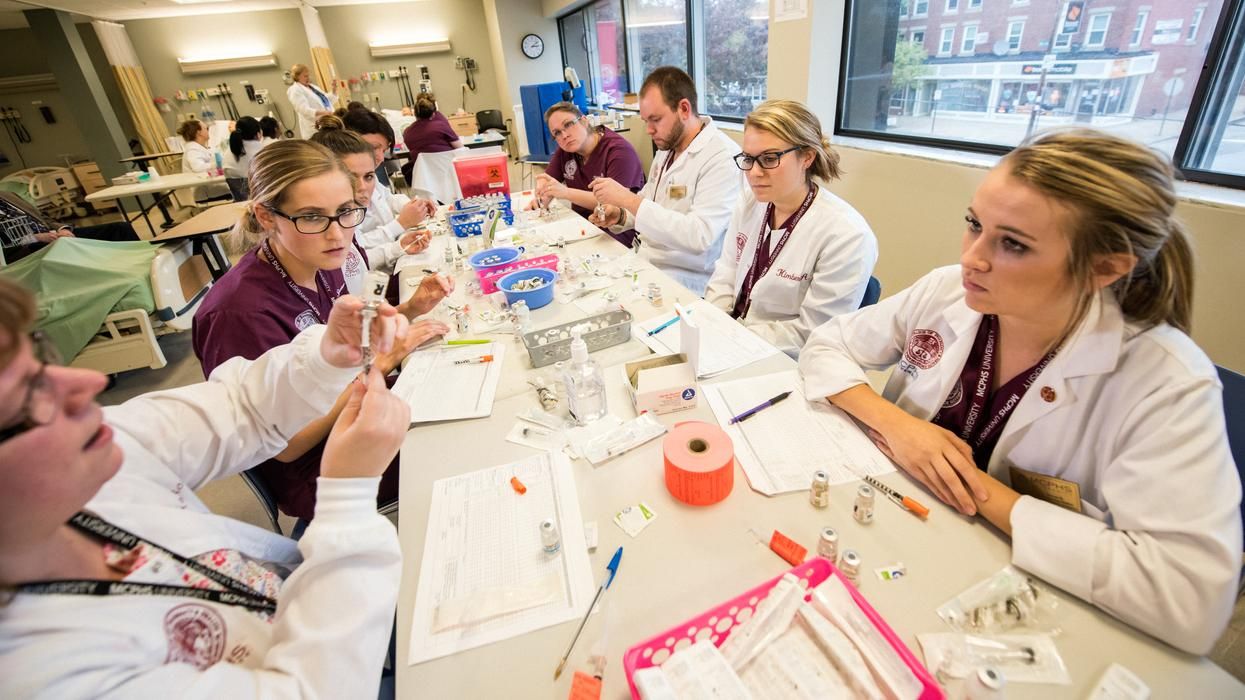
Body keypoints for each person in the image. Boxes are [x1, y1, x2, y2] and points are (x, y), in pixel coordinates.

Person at [798, 130, 1242, 655]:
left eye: (1012, 244)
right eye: (974, 225)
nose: (972, 258)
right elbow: (826, 346)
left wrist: (978, 490)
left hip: (1027, 599)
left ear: (1105, 267)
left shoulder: (1164, 381)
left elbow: (1189, 600)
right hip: (896, 531)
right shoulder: (948, 292)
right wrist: (902, 427)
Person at [0, 275, 412, 696]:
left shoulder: (93, 464)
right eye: (30, 395)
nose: (88, 384)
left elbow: (242, 408)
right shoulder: (40, 674)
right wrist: (348, 497)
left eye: (41, 359)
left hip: (333, 614)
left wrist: (327, 358)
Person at [192, 140, 450, 524]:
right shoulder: (238, 312)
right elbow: (287, 445)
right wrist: (381, 363)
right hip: (321, 470)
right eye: (312, 217)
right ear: (266, 217)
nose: (337, 235)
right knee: (456, 446)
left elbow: (350, 349)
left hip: (358, 410)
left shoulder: (320, 260)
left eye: (346, 212)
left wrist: (408, 310)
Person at [705, 99, 877, 359]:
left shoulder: (847, 235)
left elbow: (813, 332)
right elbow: (726, 274)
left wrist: (735, 334)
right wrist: (711, 322)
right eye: (748, 159)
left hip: (784, 359)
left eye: (770, 158)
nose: (754, 173)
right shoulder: (751, 203)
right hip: (728, 339)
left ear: (807, 156)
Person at [588, 66, 741, 295]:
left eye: (655, 119)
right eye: (645, 121)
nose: (649, 130)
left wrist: (628, 200)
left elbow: (700, 236)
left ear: (684, 109)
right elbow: (652, 198)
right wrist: (621, 215)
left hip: (686, 280)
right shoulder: (668, 146)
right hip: (646, 262)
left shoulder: (722, 158)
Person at [310, 115, 433, 293]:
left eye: (368, 177)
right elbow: (358, 263)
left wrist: (415, 208)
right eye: (374, 147)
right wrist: (400, 227)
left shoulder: (355, 202)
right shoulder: (326, 233)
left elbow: (359, 270)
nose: (362, 187)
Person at [532, 101, 644, 246]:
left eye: (568, 124)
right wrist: (542, 194)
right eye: (557, 133)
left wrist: (565, 192)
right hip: (582, 225)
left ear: (584, 121)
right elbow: (548, 181)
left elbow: (615, 204)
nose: (564, 135)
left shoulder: (619, 152)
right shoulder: (566, 151)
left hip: (616, 230)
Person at [337, 104, 438, 251]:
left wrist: (414, 206)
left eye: (383, 150)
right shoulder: (339, 191)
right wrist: (400, 224)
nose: (380, 157)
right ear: (350, 142)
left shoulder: (369, 174)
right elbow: (355, 249)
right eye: (373, 148)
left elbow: (387, 197)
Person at [1, 192, 138, 264]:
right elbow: (5, 247)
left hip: (54, 236)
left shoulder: (8, 196)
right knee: (66, 245)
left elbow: (43, 217)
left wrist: (63, 229)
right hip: (27, 249)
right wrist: (36, 238)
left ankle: (143, 265)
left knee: (121, 228)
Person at [400, 93, 463, 184]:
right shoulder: (441, 125)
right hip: (447, 171)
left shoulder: (407, 132)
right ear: (433, 113)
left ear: (415, 114)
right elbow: (460, 148)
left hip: (425, 177)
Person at [177, 119, 230, 203]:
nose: (208, 131)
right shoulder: (193, 149)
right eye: (206, 129)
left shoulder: (200, 147)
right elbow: (198, 168)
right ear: (199, 132)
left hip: (212, 187)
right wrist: (219, 163)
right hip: (207, 193)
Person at [286, 63, 334, 139]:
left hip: (326, 122)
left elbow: (325, 101)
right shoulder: (295, 90)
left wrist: (334, 91)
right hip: (313, 127)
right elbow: (303, 109)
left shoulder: (312, 87)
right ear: (297, 77)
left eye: (308, 75)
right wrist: (323, 112)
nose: (308, 78)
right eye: (305, 76)